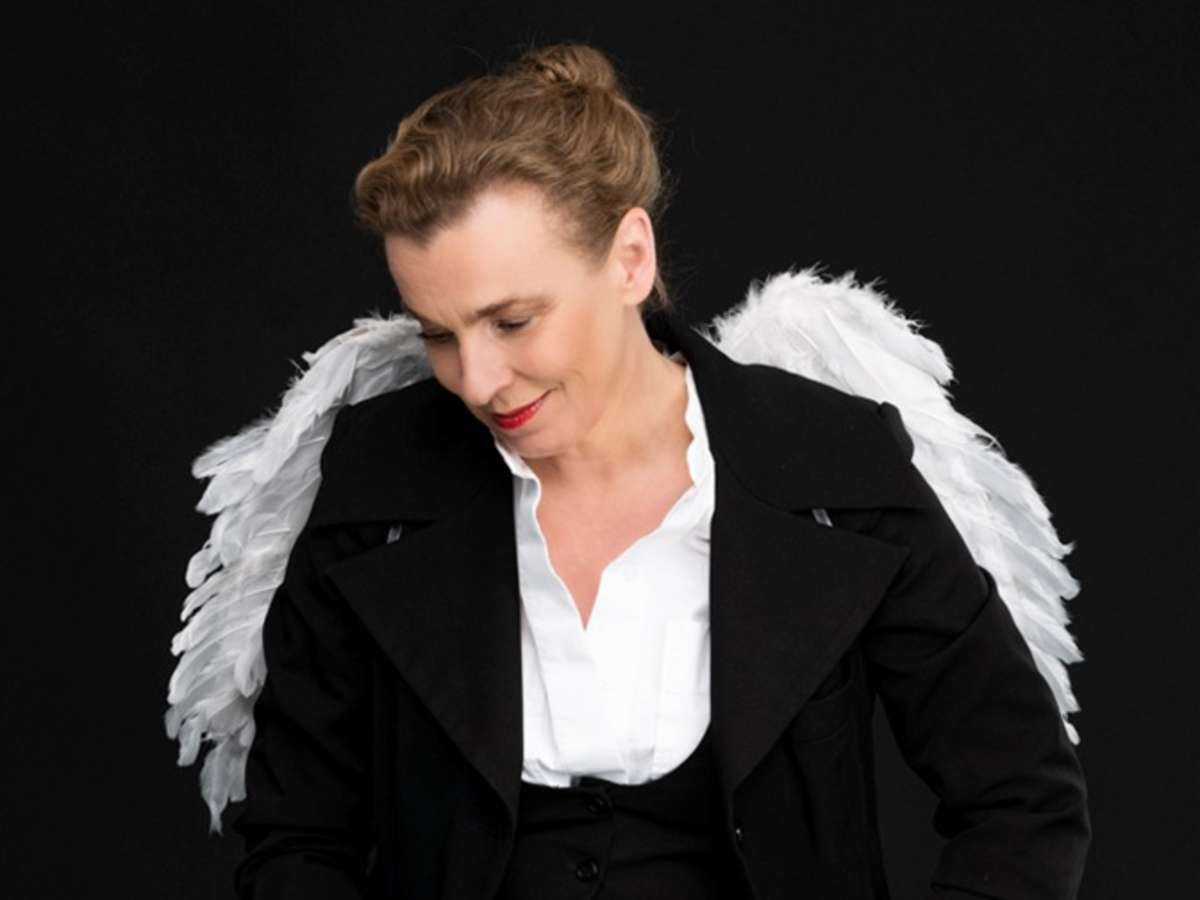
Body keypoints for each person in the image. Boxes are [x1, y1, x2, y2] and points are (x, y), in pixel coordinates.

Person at [226, 42, 1089, 899]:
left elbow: (1023, 803)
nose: (478, 381)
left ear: (630, 259)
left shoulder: (830, 466)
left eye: (513, 321)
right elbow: (296, 840)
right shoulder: (376, 485)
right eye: (438, 334)